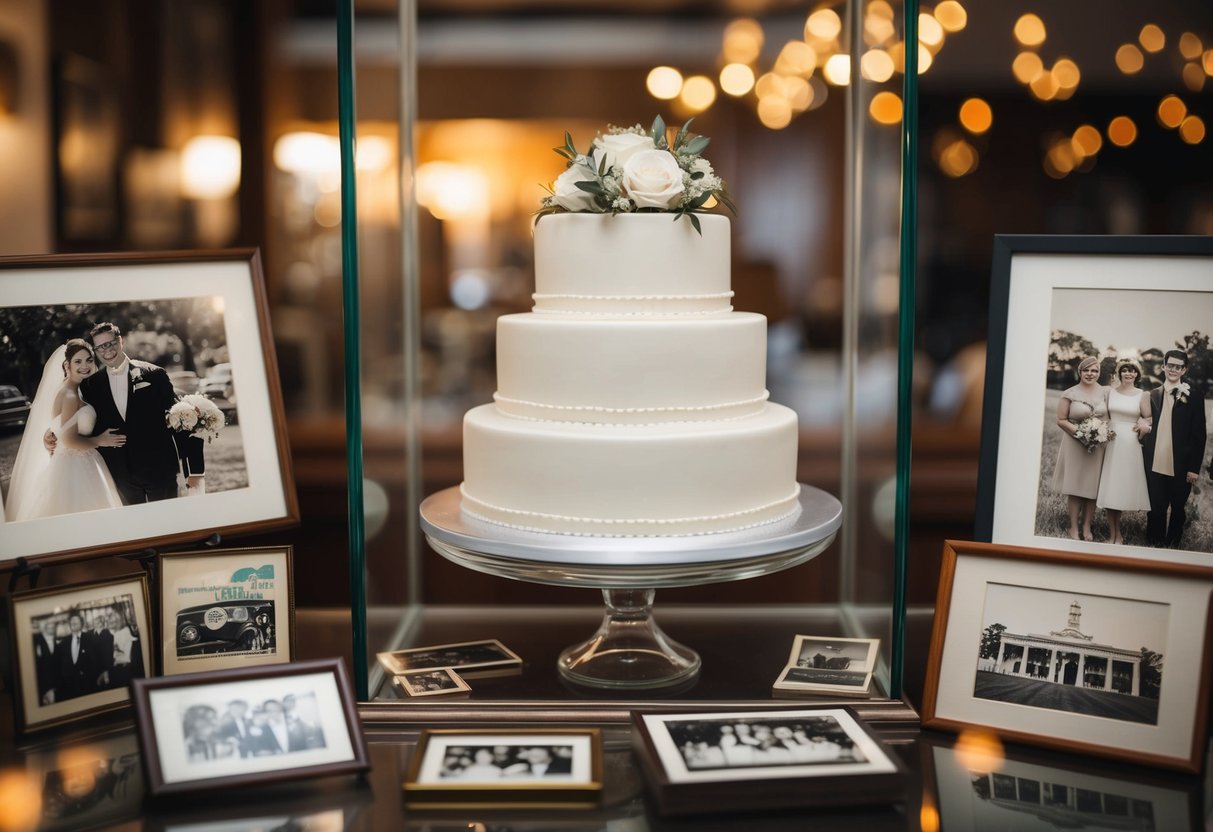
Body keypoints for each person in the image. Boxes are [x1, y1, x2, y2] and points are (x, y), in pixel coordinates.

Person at [46, 323, 205, 505]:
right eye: (100, 347)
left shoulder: (155, 375)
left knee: (166, 525)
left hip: (159, 471)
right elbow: (74, 417)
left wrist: (194, 471)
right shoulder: (90, 385)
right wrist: (52, 434)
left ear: (120, 341)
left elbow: (182, 419)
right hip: (118, 477)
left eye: (110, 343)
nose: (107, 350)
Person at [5, 340, 125, 522]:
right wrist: (100, 440)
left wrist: (50, 433)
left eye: (88, 360)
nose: (85, 366)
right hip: (74, 468)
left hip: (77, 461)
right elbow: (69, 440)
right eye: (78, 361)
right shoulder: (69, 395)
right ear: (67, 365)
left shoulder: (76, 390)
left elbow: (60, 427)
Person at [1140, 350, 1207, 548]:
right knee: (1155, 507)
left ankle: (1173, 544)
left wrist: (1194, 468)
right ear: (1163, 366)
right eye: (1170, 365)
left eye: (1178, 367)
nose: (1173, 370)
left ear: (1184, 370)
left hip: (1181, 463)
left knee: (1178, 507)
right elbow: (1144, 423)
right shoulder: (1152, 395)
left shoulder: (1194, 396)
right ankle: (1154, 543)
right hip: (1155, 459)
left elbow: (1199, 435)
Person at [1051, 356, 1110, 541]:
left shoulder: (1106, 393)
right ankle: (1074, 528)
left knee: (1092, 487)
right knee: (1076, 486)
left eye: (1094, 371)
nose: (1090, 374)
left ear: (1099, 373)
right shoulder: (1069, 393)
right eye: (1087, 370)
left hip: (1098, 445)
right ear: (1080, 372)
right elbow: (1061, 420)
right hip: (1074, 443)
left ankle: (1087, 527)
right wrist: (1081, 434)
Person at [1096, 360, 1153, 544]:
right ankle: (1113, 535)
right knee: (1110, 486)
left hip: (1129, 444)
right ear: (1120, 374)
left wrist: (1143, 426)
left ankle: (1118, 535)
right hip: (1110, 441)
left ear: (1137, 375)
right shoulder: (1109, 392)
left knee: (1120, 486)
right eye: (1125, 370)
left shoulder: (1142, 395)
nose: (1129, 374)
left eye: (1133, 371)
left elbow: (1149, 417)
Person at [52, 611, 94, 702]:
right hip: (69, 687)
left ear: (82, 624)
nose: (73, 624)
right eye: (71, 622)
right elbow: (59, 664)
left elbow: (94, 662)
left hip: (87, 685)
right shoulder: (64, 642)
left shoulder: (90, 638)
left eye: (76, 622)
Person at [33, 618, 60, 705]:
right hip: (41, 682)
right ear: (45, 628)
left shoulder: (56, 641)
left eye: (53, 627)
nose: (52, 628)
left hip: (54, 683)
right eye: (49, 627)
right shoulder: (37, 640)